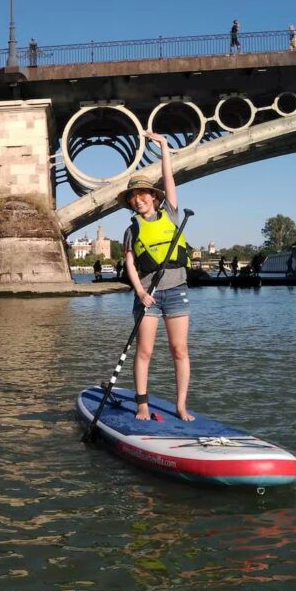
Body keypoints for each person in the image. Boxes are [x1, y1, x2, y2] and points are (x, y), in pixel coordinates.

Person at [120, 131, 195, 422]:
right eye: (133, 197)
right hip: (148, 297)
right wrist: (140, 292)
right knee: (145, 351)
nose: (138, 200)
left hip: (177, 292)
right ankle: (142, 404)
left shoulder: (173, 215)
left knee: (179, 350)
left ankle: (181, 406)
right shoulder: (132, 229)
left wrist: (164, 147)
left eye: (143, 195)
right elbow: (130, 265)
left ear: (153, 196)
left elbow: (169, 178)